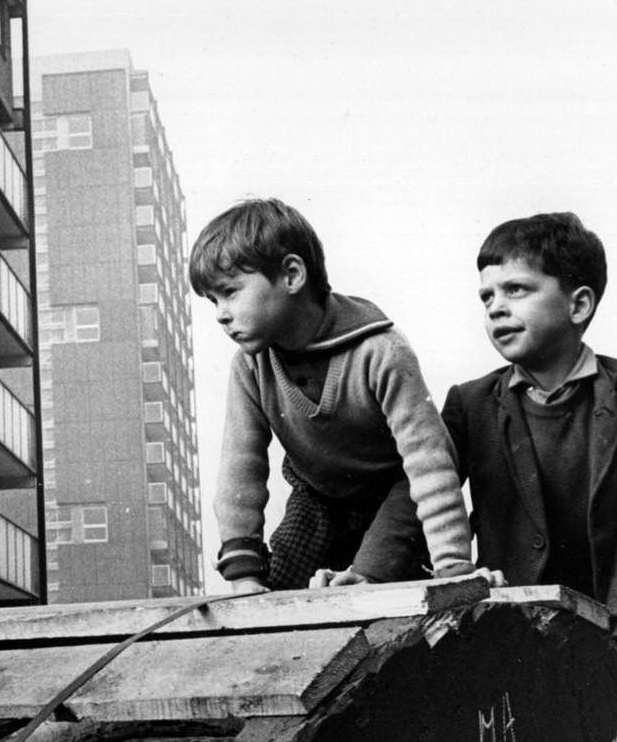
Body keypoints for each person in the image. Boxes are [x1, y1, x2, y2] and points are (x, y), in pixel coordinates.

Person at [438, 212, 617, 696]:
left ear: (578, 305)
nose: (494, 308)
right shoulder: (469, 404)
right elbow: (422, 494)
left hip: (600, 625)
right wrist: (368, 570)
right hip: (505, 627)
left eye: (516, 290)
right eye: (486, 296)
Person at [190, 197, 477, 592]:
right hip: (317, 498)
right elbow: (240, 467)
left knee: (373, 592)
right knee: (279, 595)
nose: (221, 313)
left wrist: (453, 567)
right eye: (213, 301)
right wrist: (245, 577)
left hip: (394, 496)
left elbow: (430, 463)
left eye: (230, 292)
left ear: (291, 275)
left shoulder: (381, 351)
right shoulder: (249, 366)